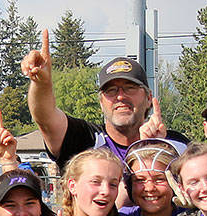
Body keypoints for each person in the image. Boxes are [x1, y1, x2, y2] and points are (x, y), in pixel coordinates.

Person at [22, 31, 187, 172]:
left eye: (130, 88)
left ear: (149, 98)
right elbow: (45, 118)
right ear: (101, 102)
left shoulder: (174, 143)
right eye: (111, 91)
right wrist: (41, 84)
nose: (120, 96)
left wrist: (155, 145)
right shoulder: (87, 139)